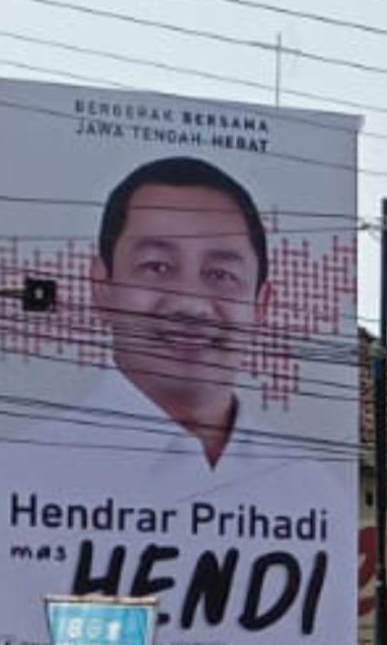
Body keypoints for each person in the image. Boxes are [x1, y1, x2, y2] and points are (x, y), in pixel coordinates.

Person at [92, 156, 273, 470]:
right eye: (157, 267)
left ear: (261, 304)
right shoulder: (28, 469)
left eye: (220, 275)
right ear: (102, 286)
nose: (190, 305)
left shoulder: (313, 489)